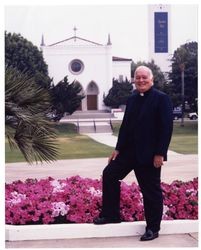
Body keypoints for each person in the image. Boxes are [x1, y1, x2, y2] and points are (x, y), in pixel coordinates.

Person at [93, 65, 173, 241]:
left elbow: (166, 129)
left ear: (151, 79)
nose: (141, 80)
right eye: (138, 77)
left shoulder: (162, 99)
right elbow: (126, 127)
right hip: (129, 153)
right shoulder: (132, 99)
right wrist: (117, 149)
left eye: (144, 77)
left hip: (150, 155)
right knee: (110, 174)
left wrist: (160, 153)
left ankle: (153, 228)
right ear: (134, 80)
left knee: (150, 191)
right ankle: (111, 215)